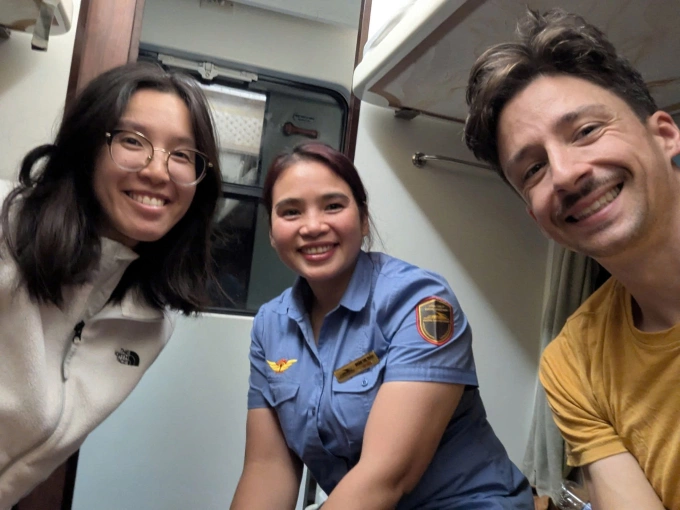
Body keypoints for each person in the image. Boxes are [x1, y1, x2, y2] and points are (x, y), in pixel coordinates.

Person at [230, 142, 533, 510]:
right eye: (291, 212)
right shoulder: (271, 325)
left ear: (362, 219)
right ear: (272, 232)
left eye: (333, 206)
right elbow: (267, 468)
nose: (313, 226)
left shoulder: (418, 301)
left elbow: (386, 476)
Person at [464, 8, 680, 510]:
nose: (563, 174)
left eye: (585, 131)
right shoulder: (573, 363)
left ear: (665, 135)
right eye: (533, 169)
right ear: (536, 216)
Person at [0, 62, 222, 508]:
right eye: (133, 141)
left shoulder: (149, 323)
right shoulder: (5, 228)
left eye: (182, 155)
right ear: (88, 148)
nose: (158, 171)